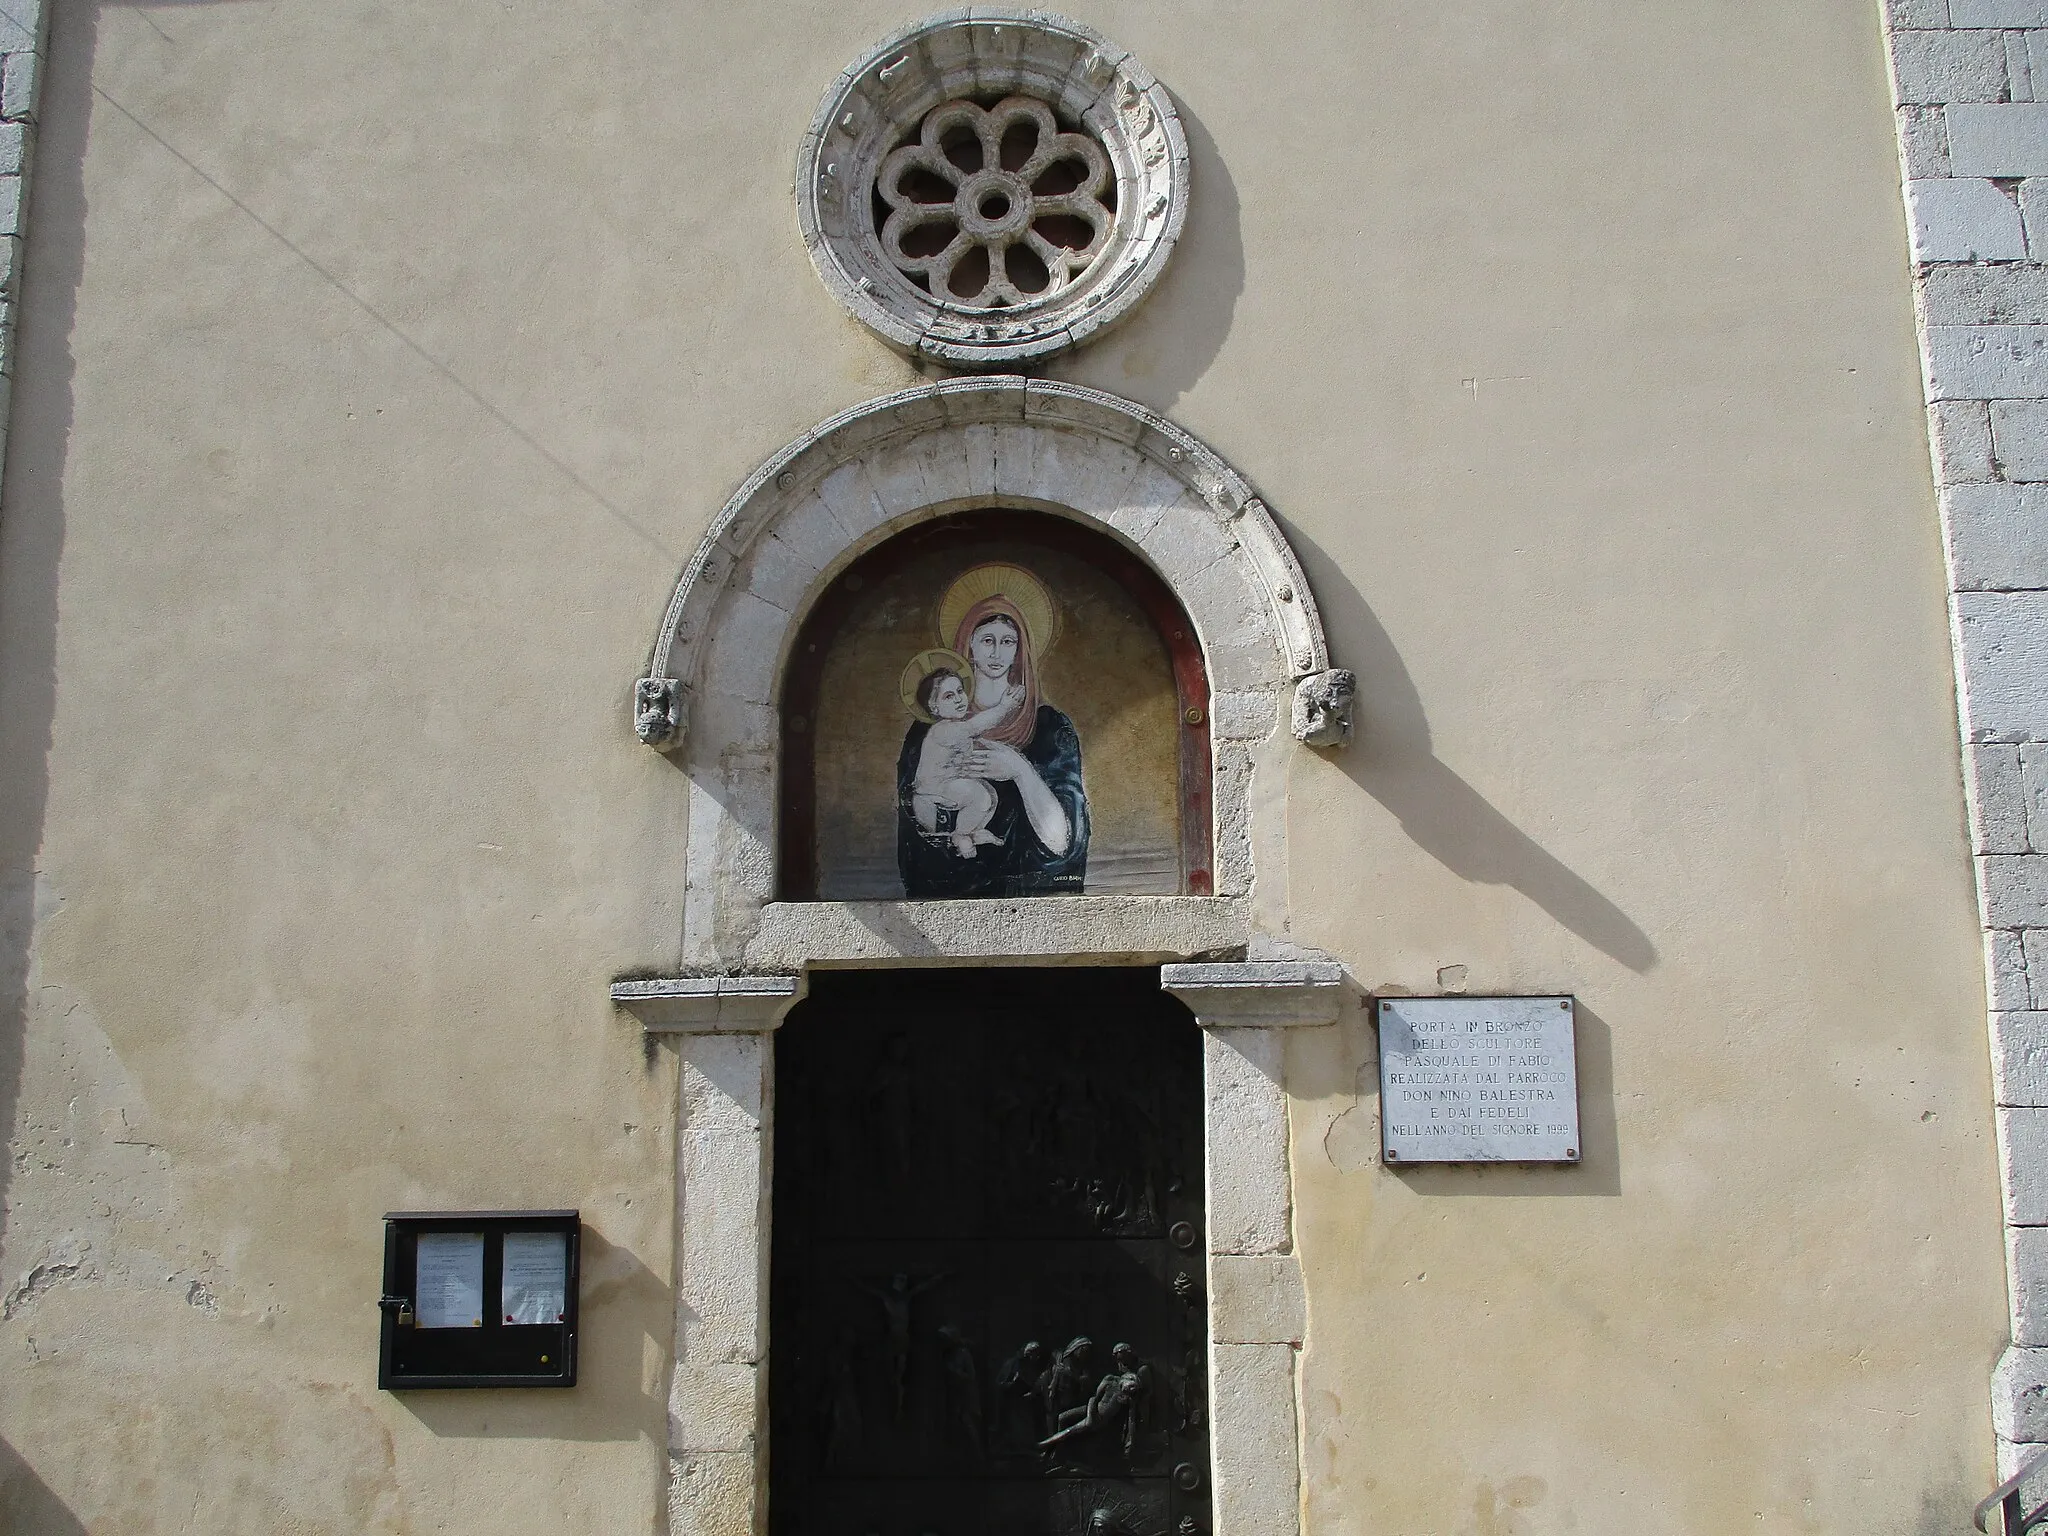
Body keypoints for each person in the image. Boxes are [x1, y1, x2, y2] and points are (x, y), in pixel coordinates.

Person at [897, 568, 1090, 898]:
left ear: (1020, 650)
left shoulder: (1050, 728)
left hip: (1033, 899)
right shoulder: (928, 730)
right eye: (987, 640)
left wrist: (1019, 770)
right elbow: (914, 832)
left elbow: (1064, 846)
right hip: (950, 897)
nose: (997, 653)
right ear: (969, 645)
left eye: (1008, 642)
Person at [910, 667, 1025, 859]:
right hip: (929, 799)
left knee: (989, 793)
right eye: (948, 696)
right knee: (979, 795)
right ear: (934, 707)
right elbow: (975, 726)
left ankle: (972, 831)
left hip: (946, 790)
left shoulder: (957, 729)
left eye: (959, 691)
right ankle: (960, 835)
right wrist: (1004, 707)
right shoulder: (942, 730)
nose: (958, 698)